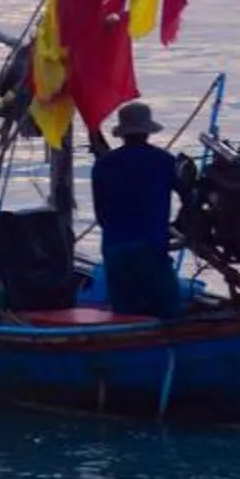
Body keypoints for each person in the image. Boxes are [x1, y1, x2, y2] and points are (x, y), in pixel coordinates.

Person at [90, 100, 182, 319]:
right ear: (148, 132)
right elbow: (189, 199)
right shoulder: (164, 161)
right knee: (169, 313)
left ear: (122, 133)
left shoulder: (103, 164)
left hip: (114, 248)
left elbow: (100, 214)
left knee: (124, 315)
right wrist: (176, 228)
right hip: (149, 246)